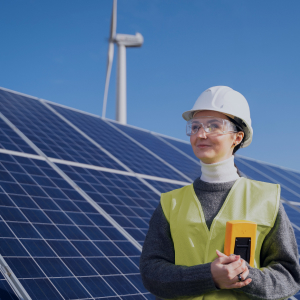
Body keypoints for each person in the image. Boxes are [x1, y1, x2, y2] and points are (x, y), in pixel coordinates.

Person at [139, 86, 300, 299]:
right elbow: (151, 273)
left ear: (237, 137)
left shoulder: (266, 199)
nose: (201, 134)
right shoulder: (171, 203)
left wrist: (243, 276)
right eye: (195, 127)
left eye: (214, 126)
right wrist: (209, 276)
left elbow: (289, 276)